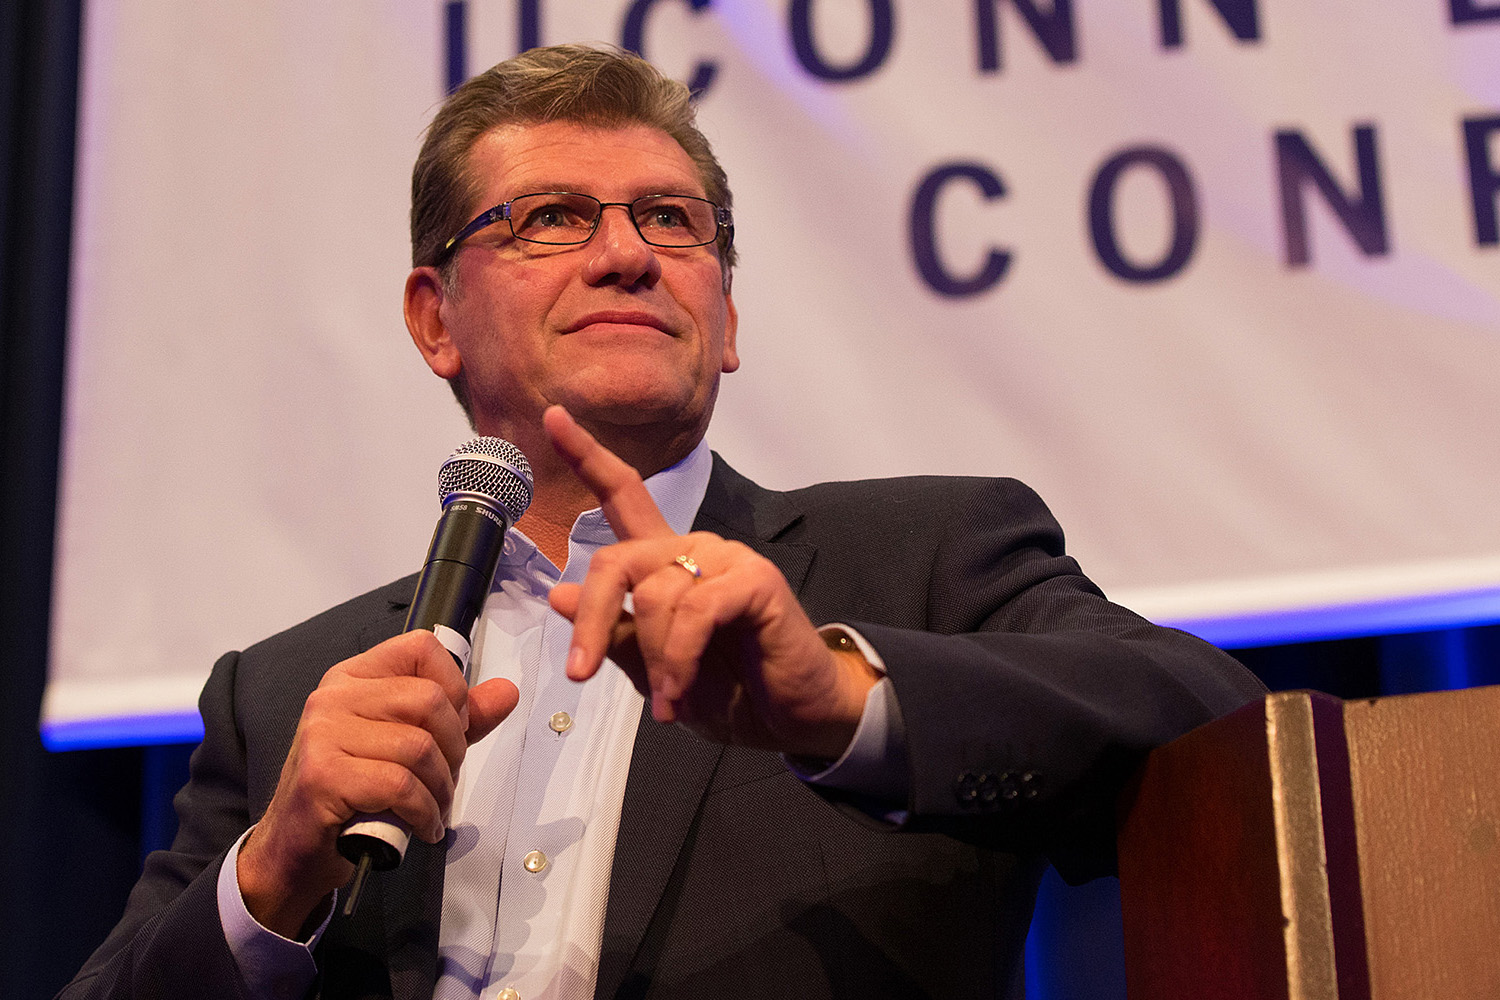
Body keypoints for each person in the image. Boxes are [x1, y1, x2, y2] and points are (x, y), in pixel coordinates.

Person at [61, 44, 1264, 1000]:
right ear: (435, 319)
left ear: (725, 319)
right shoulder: (283, 699)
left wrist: (845, 701)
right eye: (551, 219)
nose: (628, 254)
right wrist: (268, 879)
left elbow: (1230, 734)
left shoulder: (925, 563)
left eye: (673, 221)